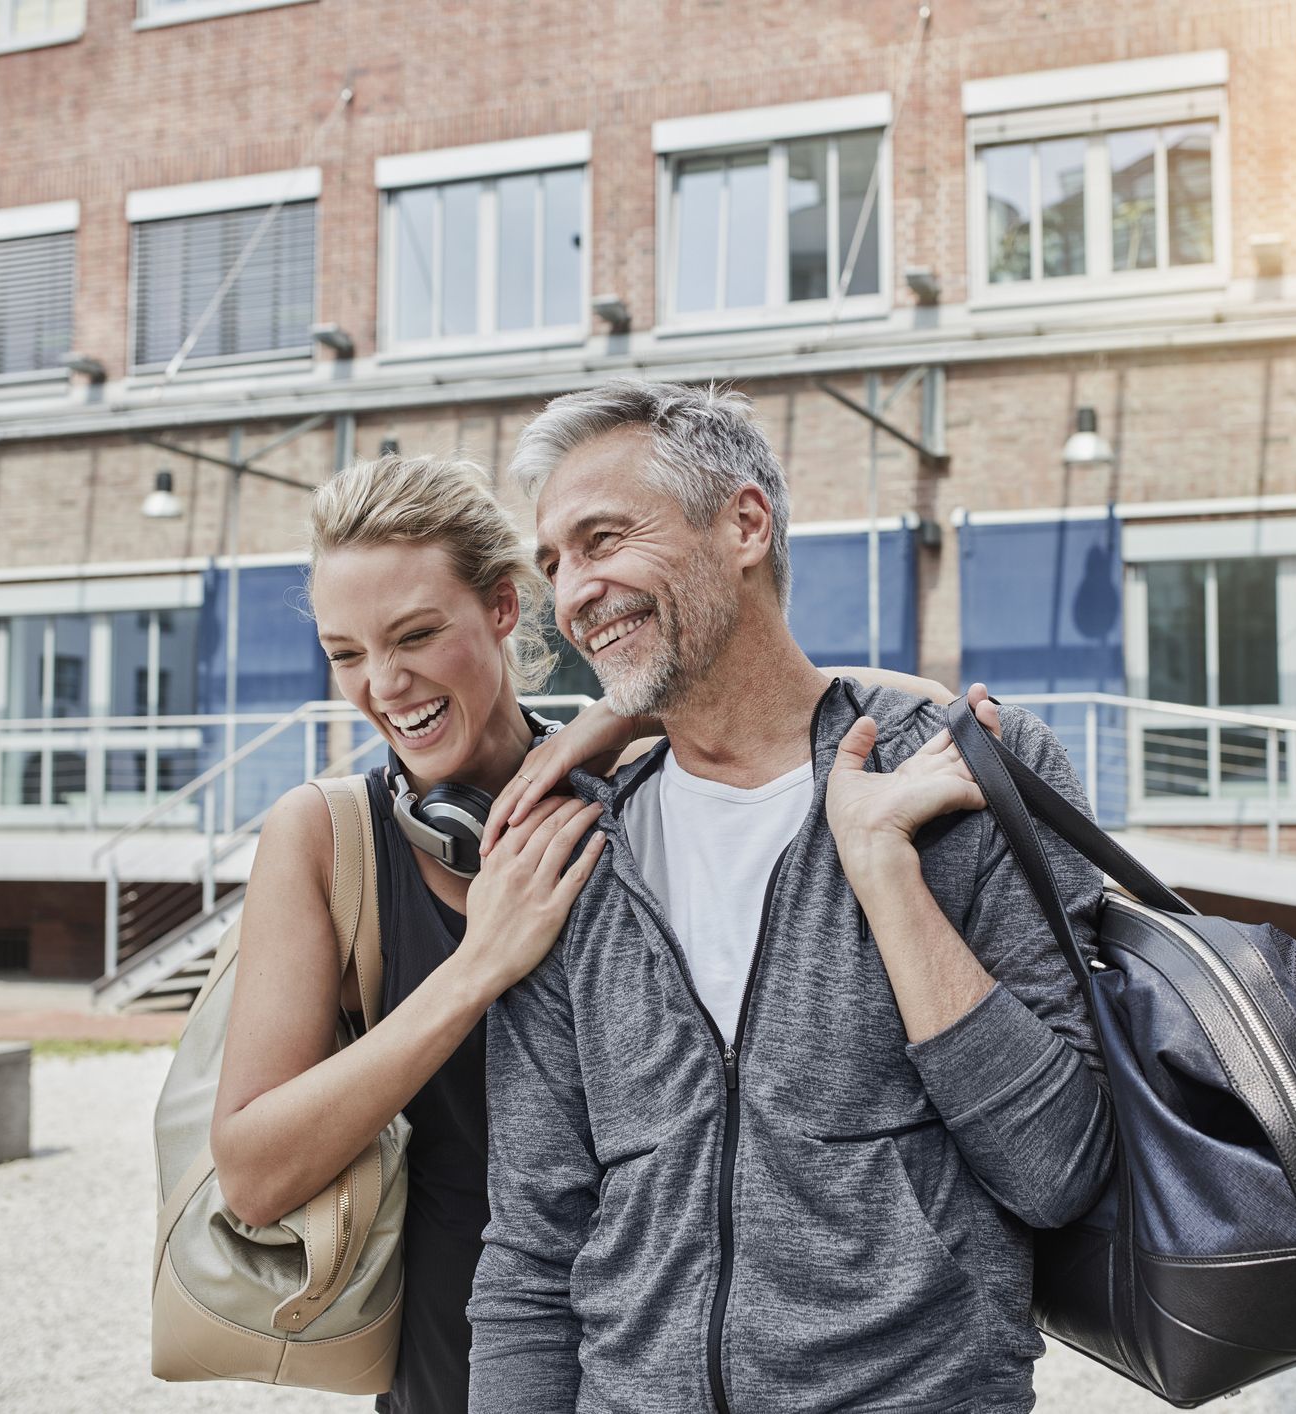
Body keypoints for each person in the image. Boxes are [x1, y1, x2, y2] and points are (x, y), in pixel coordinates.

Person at [208, 450, 949, 1414]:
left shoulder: (639, 772)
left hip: (673, 1359)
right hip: (456, 1361)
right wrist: (478, 967)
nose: (384, 685)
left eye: (417, 635)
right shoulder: (322, 838)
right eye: (347, 653)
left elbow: (900, 709)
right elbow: (253, 1175)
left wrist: (609, 719)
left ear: (504, 612)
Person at [467, 380, 1115, 1412]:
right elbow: (534, 1247)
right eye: (554, 563)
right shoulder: (572, 854)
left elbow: (1056, 1167)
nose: (574, 592)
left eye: (602, 538)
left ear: (745, 524)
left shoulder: (968, 777)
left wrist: (887, 873)